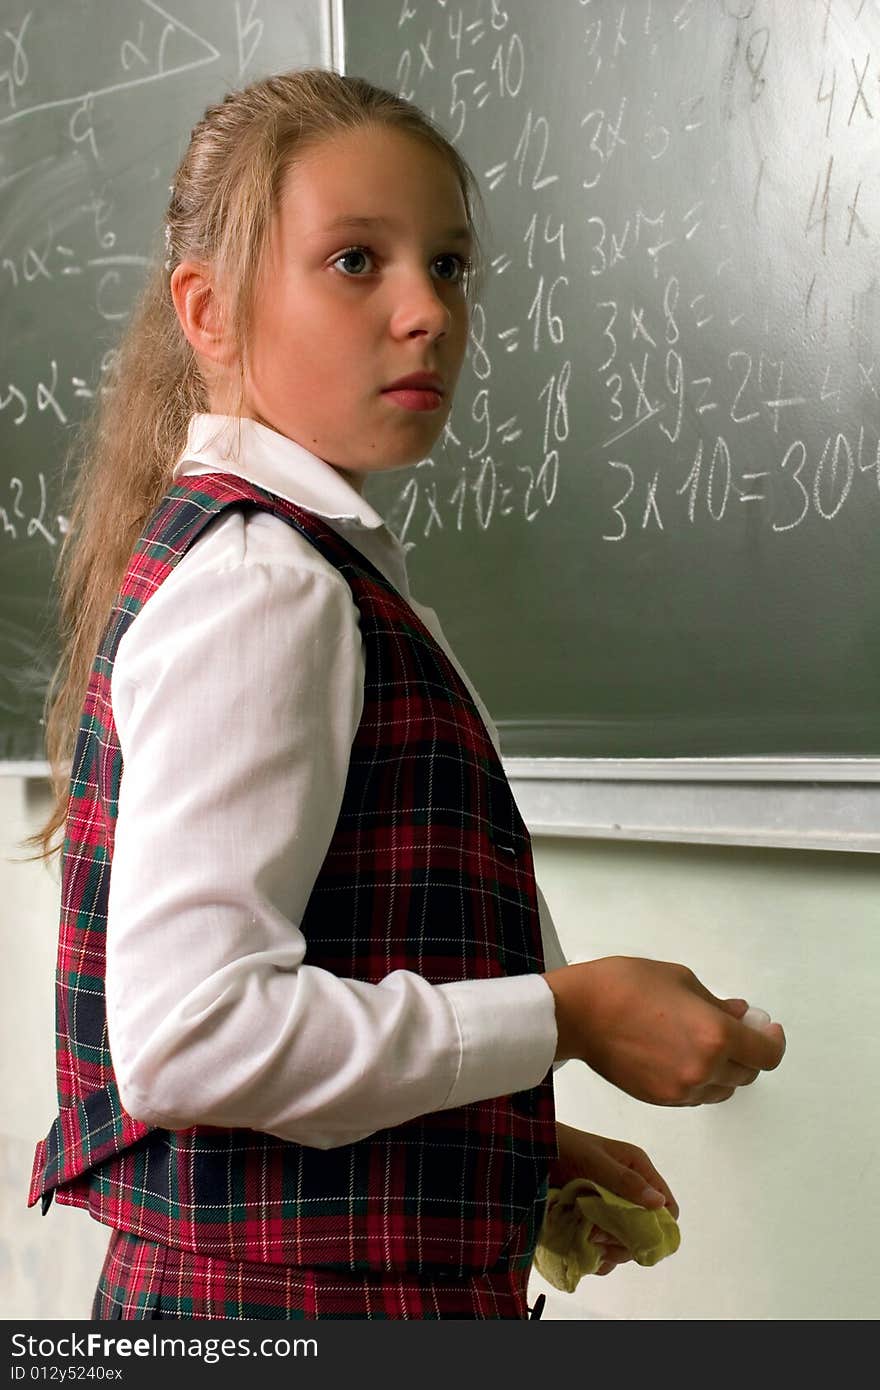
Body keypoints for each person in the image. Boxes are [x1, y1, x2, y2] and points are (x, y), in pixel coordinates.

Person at [27, 68, 786, 1321]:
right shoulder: (267, 585)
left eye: (447, 263)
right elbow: (194, 1037)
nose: (426, 309)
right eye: (353, 262)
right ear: (208, 313)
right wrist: (570, 1013)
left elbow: (311, 983)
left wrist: (498, 1154)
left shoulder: (291, 560)